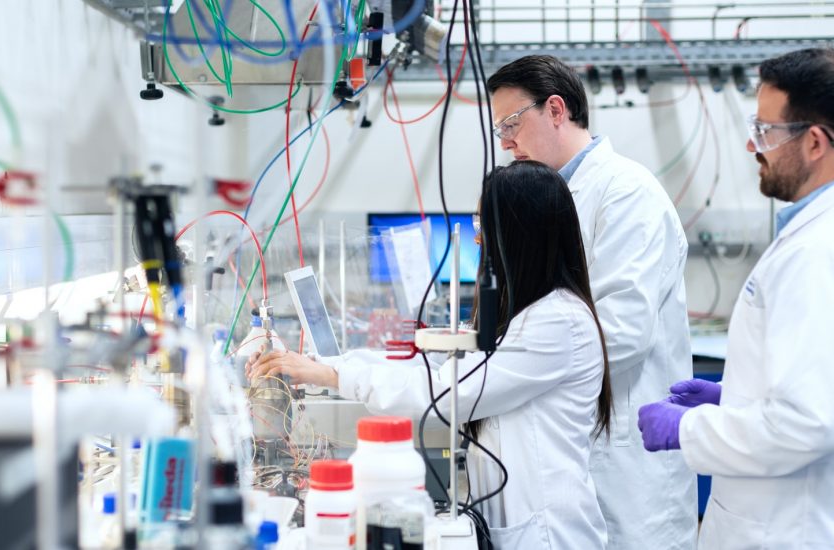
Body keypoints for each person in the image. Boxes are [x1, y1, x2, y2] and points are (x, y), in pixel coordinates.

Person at [637, 48, 834, 549]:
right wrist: (737, 397)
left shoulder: (825, 251)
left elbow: (807, 425)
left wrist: (690, 429)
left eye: (766, 131)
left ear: (815, 142)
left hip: (806, 529)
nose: (753, 146)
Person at [249, 161, 610, 549]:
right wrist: (322, 365)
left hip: (548, 535)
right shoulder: (529, 312)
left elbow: (449, 391)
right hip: (519, 524)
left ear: (520, 235)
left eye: (484, 227)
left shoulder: (558, 321)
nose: (478, 240)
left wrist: (334, 377)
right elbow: (441, 364)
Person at [485, 55, 696, 549]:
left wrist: (511, 371)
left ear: (556, 110)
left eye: (511, 124)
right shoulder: (550, 197)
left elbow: (622, 332)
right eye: (499, 130)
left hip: (626, 461)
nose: (505, 142)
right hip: (576, 446)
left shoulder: (626, 193)